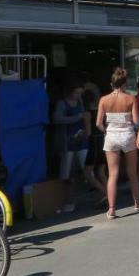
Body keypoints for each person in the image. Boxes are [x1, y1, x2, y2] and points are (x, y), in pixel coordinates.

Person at [97, 67, 139, 218]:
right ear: (125, 84)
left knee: (112, 174)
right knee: (132, 172)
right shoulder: (131, 98)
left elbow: (98, 123)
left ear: (112, 84)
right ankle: (137, 202)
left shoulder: (104, 100)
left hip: (111, 135)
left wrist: (107, 131)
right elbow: (136, 122)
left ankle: (111, 209)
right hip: (127, 135)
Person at [52, 82, 87, 213]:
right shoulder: (62, 103)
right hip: (67, 141)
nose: (78, 95)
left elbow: (83, 117)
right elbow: (56, 118)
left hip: (80, 139)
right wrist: (75, 118)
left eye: (80, 93)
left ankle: (76, 197)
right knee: (65, 172)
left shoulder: (80, 102)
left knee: (86, 167)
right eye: (77, 92)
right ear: (70, 91)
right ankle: (67, 200)